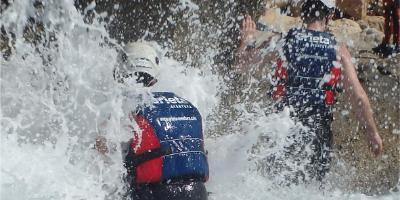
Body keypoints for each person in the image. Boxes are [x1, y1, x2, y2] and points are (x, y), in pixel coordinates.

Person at [236, 0, 383, 183]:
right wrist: (372, 134)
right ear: (329, 16)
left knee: (277, 186)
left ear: (303, 14)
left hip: (283, 130)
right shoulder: (338, 48)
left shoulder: (284, 40)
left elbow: (243, 66)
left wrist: (247, 38)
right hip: (318, 134)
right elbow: (358, 96)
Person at [95, 41, 209, 200]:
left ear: (119, 74)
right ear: (154, 79)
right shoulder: (186, 105)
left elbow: (102, 153)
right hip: (197, 193)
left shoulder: (124, 109)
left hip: (154, 194)